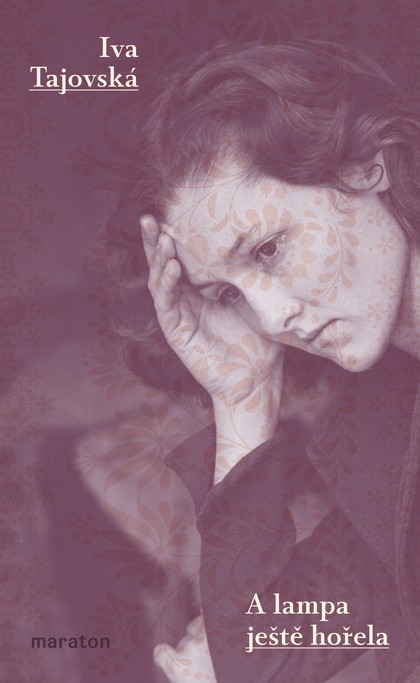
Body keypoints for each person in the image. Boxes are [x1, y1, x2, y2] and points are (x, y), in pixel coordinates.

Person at [134, 40, 420, 682]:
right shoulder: (385, 433)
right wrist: (242, 398)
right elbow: (263, 659)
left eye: (267, 249)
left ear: (367, 166)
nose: (269, 319)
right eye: (228, 294)